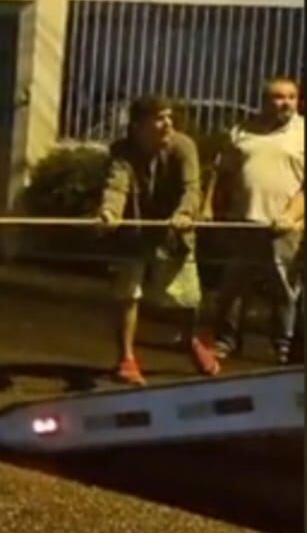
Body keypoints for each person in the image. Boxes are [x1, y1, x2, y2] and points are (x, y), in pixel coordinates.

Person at [97, 95, 220, 386]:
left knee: (188, 298)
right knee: (127, 293)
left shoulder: (183, 146)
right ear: (138, 125)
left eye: (169, 117)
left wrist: (185, 214)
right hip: (134, 230)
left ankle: (189, 341)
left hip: (175, 230)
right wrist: (109, 212)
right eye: (159, 118)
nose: (168, 124)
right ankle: (126, 358)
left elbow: (192, 188)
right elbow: (116, 185)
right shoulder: (122, 151)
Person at [209, 76, 304, 365]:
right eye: (277, 97)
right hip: (244, 221)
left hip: (285, 226)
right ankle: (226, 341)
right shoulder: (242, 131)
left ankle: (282, 345)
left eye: (290, 97)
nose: (285, 103)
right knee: (234, 285)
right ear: (263, 101)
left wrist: (291, 214)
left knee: (284, 288)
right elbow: (221, 174)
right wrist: (207, 207)